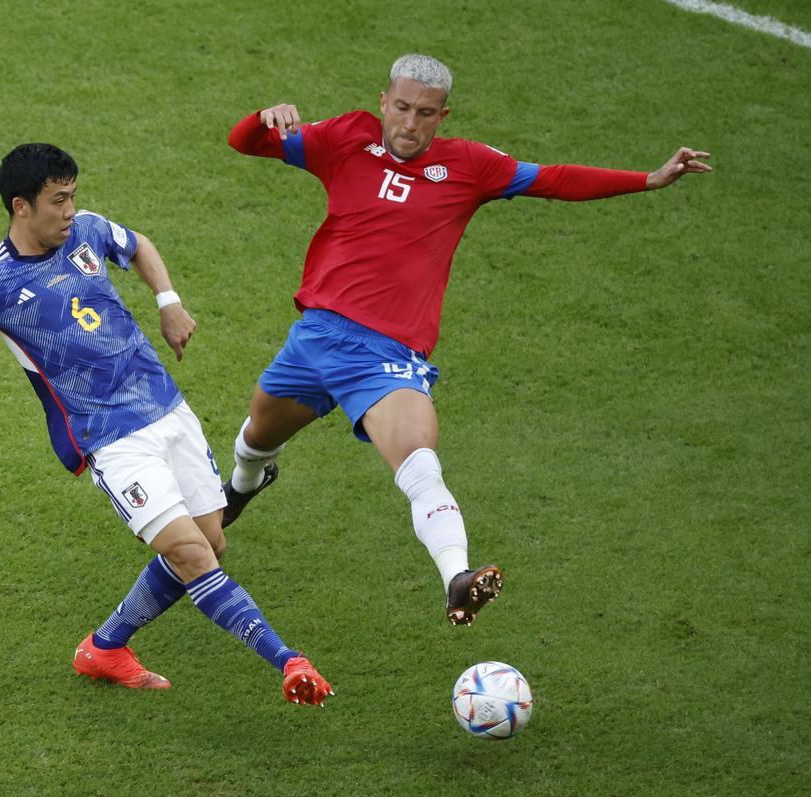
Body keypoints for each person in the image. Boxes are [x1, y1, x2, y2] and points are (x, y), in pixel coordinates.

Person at [0, 143, 332, 706]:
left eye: (73, 195)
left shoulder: (88, 231)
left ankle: (105, 648)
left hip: (168, 409)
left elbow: (138, 245)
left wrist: (168, 300)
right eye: (59, 200)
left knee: (212, 543)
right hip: (110, 437)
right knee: (192, 556)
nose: (71, 209)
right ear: (20, 206)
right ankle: (287, 661)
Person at [221, 54, 712, 626]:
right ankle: (243, 485)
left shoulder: (470, 166)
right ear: (384, 101)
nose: (409, 124)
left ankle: (457, 576)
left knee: (420, 464)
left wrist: (647, 180)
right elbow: (243, 143)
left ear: (442, 115)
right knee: (256, 437)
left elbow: (552, 179)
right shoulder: (345, 137)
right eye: (401, 108)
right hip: (313, 338)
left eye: (424, 114)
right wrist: (264, 117)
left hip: (386, 357)